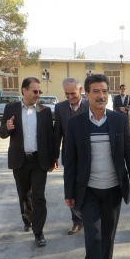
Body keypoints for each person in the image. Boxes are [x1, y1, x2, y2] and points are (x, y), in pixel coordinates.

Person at [63, 74, 130, 259]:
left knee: (108, 232)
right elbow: (70, 160)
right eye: (96, 91)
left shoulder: (119, 120)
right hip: (88, 190)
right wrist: (69, 192)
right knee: (94, 236)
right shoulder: (76, 124)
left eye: (105, 91)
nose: (101, 96)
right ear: (86, 94)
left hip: (113, 189)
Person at [0, 77, 55, 247]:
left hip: (39, 160)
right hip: (20, 160)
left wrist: (53, 159)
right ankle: (27, 218)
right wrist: (7, 128)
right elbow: (1, 133)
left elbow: (50, 137)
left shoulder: (45, 111)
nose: (38, 94)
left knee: (38, 196)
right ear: (24, 90)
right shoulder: (11, 109)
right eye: (34, 91)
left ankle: (39, 232)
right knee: (24, 194)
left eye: (39, 92)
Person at [54, 77, 89, 235]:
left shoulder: (90, 105)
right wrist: (54, 156)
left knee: (89, 188)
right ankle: (77, 221)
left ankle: (90, 219)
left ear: (80, 90)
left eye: (73, 93)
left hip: (89, 155)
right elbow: (57, 133)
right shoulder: (60, 108)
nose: (70, 97)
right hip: (69, 156)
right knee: (71, 189)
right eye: (67, 94)